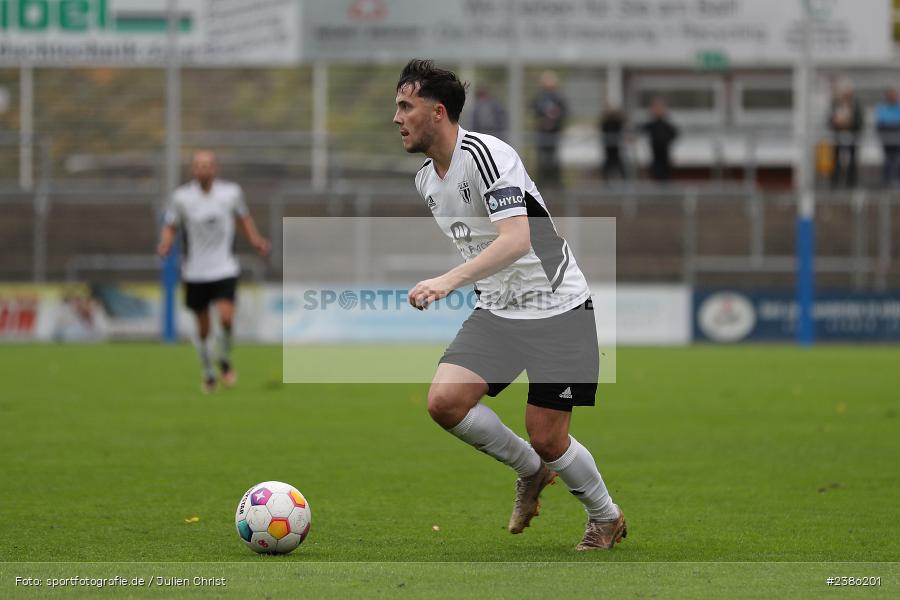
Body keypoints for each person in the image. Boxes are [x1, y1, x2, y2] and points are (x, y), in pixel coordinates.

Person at [393, 59, 625, 551]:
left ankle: (605, 517)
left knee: (548, 434)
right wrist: (468, 285)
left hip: (557, 305)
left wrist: (447, 282)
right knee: (444, 403)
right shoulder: (424, 180)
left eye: (404, 106)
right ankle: (530, 471)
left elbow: (517, 240)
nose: (396, 117)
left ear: (437, 112)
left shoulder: (487, 154)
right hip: (499, 308)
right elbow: (479, 247)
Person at [157, 150, 270, 393]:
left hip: (224, 268)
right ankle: (208, 372)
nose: (203, 169)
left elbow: (243, 218)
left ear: (215, 168)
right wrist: (165, 243)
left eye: (207, 165)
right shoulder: (182, 197)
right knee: (204, 328)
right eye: (198, 165)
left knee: (227, 318)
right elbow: (171, 224)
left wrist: (256, 240)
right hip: (195, 272)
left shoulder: (231, 193)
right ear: (193, 170)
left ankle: (225, 358)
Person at [531, 71, 568, 187]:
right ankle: (541, 184)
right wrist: (542, 121)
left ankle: (556, 184)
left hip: (554, 133)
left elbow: (564, 112)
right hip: (543, 133)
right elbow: (535, 110)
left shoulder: (559, 97)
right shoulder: (540, 97)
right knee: (542, 159)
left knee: (554, 159)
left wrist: (555, 118)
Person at [828, 79, 864, 189]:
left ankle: (851, 183)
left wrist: (851, 123)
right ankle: (835, 183)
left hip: (852, 135)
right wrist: (836, 122)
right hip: (838, 135)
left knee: (852, 159)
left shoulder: (856, 104)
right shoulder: (835, 104)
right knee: (836, 159)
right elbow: (829, 120)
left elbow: (860, 120)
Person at [641, 97, 678, 182]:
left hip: (665, 156)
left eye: (660, 108)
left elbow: (674, 134)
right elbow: (641, 130)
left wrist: (667, 140)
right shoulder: (651, 124)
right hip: (655, 156)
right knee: (656, 173)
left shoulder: (667, 125)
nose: (658, 110)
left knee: (665, 175)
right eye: (656, 108)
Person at [876, 86, 900, 187]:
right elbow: (880, 123)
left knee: (898, 159)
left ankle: (897, 179)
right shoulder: (882, 108)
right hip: (887, 139)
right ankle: (887, 180)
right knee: (888, 160)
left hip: (898, 139)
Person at [599, 105, 627, 181]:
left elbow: (622, 122)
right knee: (607, 168)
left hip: (616, 151)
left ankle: (626, 184)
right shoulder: (605, 123)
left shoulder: (617, 122)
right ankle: (605, 184)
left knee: (620, 167)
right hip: (609, 151)